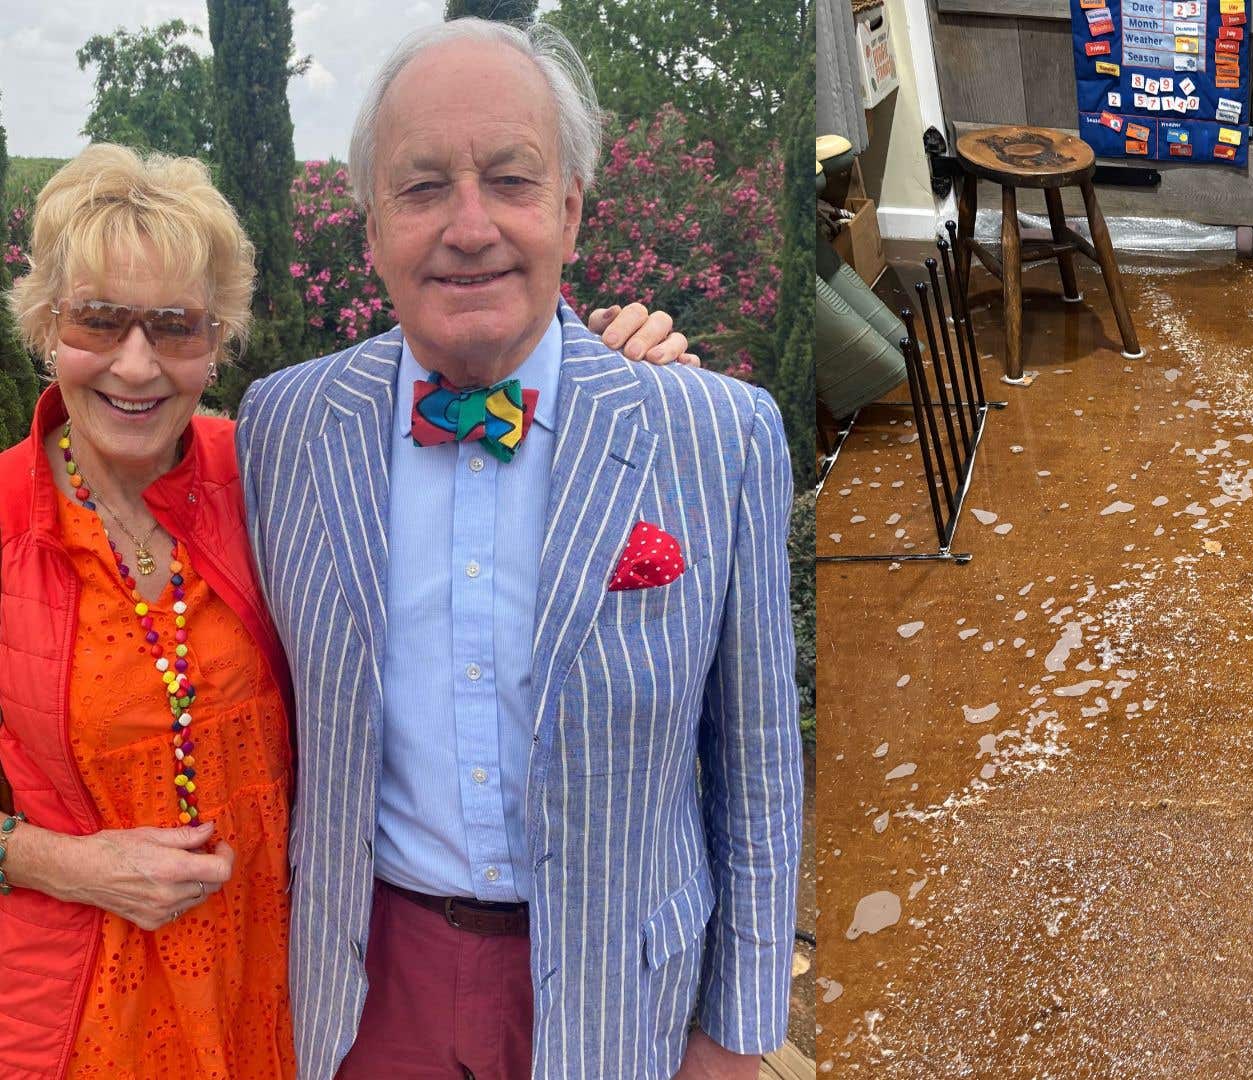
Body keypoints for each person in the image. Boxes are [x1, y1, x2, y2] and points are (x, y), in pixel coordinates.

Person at [0, 144, 691, 1079]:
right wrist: (58, 862)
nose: (136, 363)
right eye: (99, 321)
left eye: (175, 326)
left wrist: (598, 368)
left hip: (286, 992)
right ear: (46, 326)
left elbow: (495, 423)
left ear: (218, 339)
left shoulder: (272, 470)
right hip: (75, 1004)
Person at [233, 17, 802, 1080]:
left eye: (511, 180)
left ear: (572, 213)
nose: (470, 225)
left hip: (618, 997)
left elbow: (759, 763)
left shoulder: (713, 436)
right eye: (421, 189)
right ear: (370, 230)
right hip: (362, 994)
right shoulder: (282, 429)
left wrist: (738, 1033)